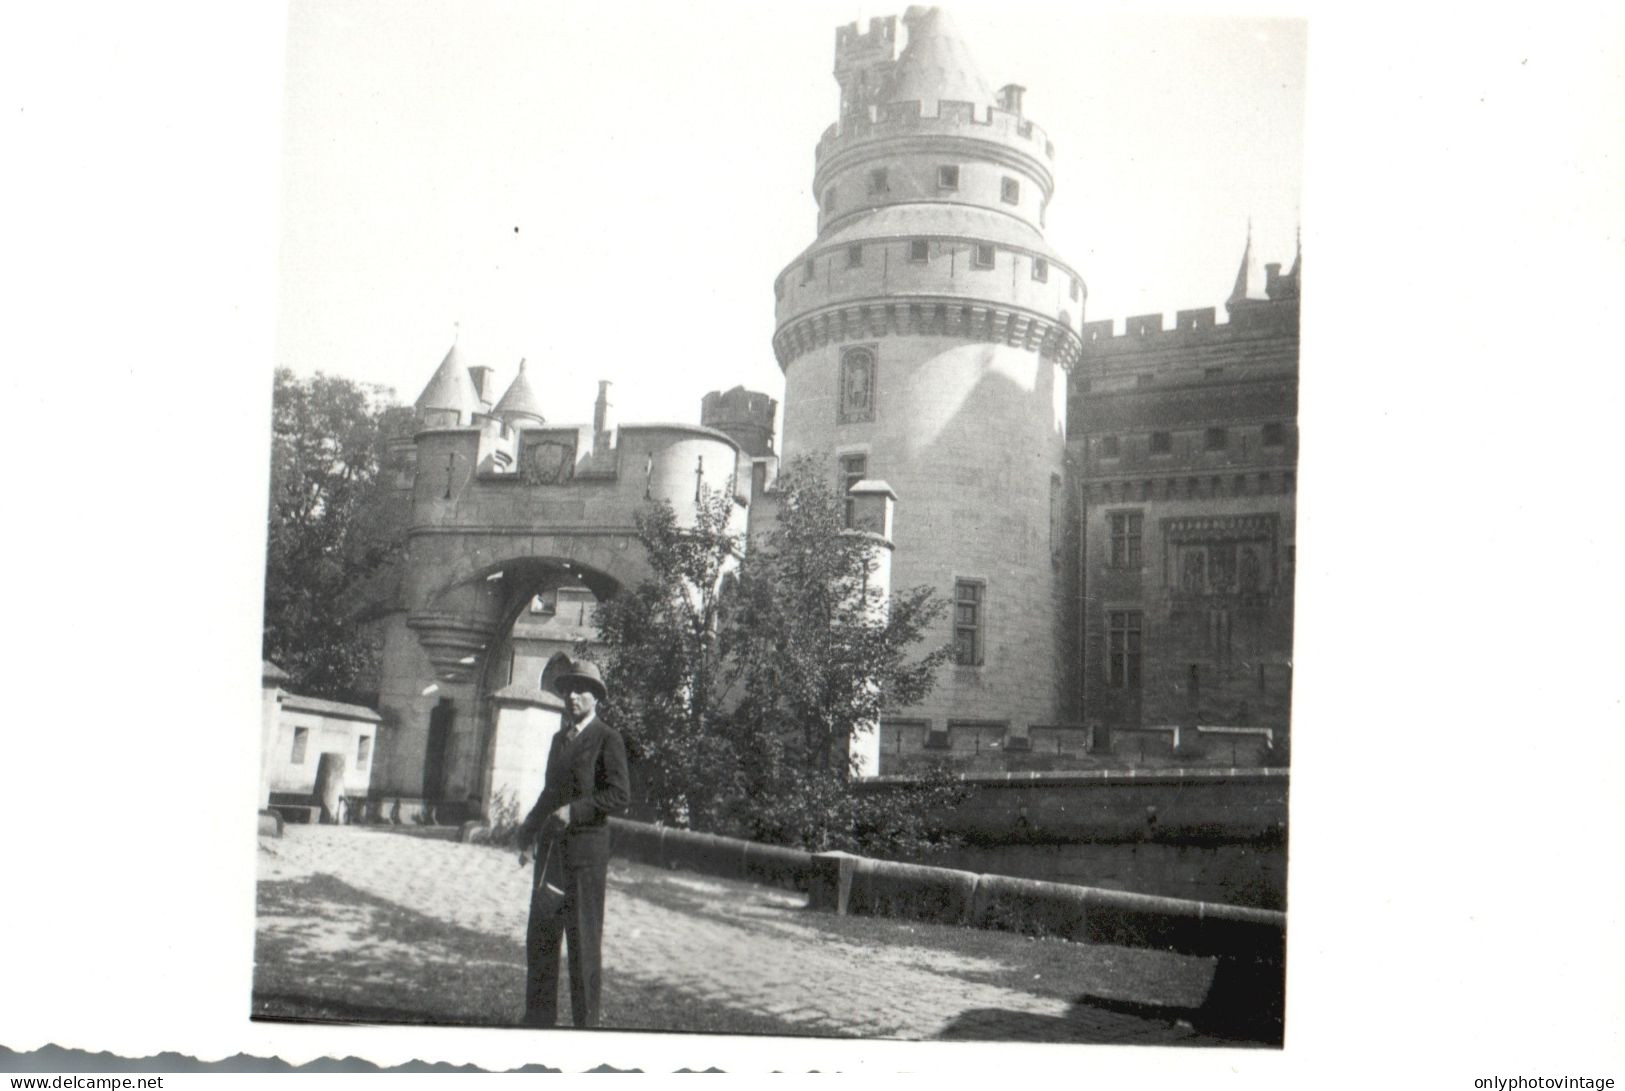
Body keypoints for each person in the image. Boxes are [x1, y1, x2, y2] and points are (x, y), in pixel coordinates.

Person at [517, 658, 629, 1028]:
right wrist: (527, 830)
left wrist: (576, 811)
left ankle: (585, 1029)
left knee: (582, 947)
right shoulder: (558, 740)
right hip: (552, 856)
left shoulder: (607, 739)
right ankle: (538, 1024)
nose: (573, 696)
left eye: (582, 690)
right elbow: (550, 793)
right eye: (568, 689)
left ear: (596, 697)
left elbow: (618, 795)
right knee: (542, 940)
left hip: (586, 859)